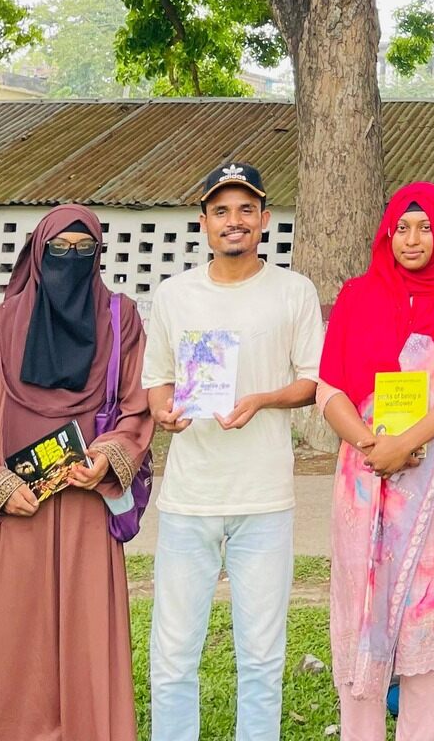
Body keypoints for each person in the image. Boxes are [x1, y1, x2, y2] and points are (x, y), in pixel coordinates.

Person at [0, 203, 155, 740]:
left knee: (84, 634)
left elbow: (136, 403)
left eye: (82, 249)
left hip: (84, 501)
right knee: (5, 634)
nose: (70, 259)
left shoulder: (120, 319)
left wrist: (107, 457)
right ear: (37, 256)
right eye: (58, 250)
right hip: (13, 508)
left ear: (99, 254)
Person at [144, 162, 325, 741]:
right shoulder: (175, 295)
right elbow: (157, 381)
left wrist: (262, 399)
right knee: (173, 653)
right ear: (204, 223)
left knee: (262, 654)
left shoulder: (294, 291)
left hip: (264, 497)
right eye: (221, 210)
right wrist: (164, 411)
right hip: (189, 497)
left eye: (246, 209)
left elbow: (312, 381)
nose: (234, 220)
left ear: (265, 219)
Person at [316, 182, 434, 741]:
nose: (412, 239)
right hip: (364, 482)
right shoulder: (357, 295)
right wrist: (374, 446)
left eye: (426, 227)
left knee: (430, 625)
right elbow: (328, 389)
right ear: (388, 233)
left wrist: (408, 439)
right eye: (403, 228)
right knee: (361, 627)